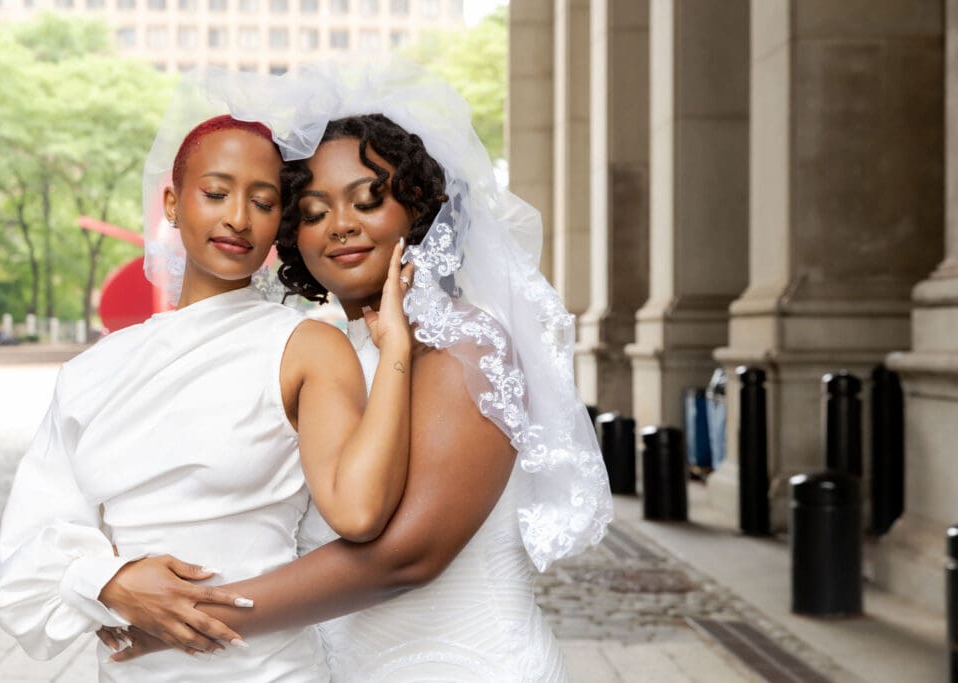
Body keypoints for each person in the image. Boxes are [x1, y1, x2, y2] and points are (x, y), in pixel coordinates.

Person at [101, 61, 613, 681]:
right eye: (312, 211)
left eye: (368, 200)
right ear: (291, 235)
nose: (340, 225)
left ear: (418, 208)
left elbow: (405, 558)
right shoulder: (311, 351)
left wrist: (188, 618)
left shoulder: (461, 345)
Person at [0, 84, 416, 681]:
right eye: (216, 193)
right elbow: (23, 562)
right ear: (172, 202)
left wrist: (395, 350)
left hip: (267, 670)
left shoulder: (305, 347)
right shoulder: (91, 372)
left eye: (264, 203)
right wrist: (108, 581)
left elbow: (360, 511)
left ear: (279, 224)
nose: (238, 218)